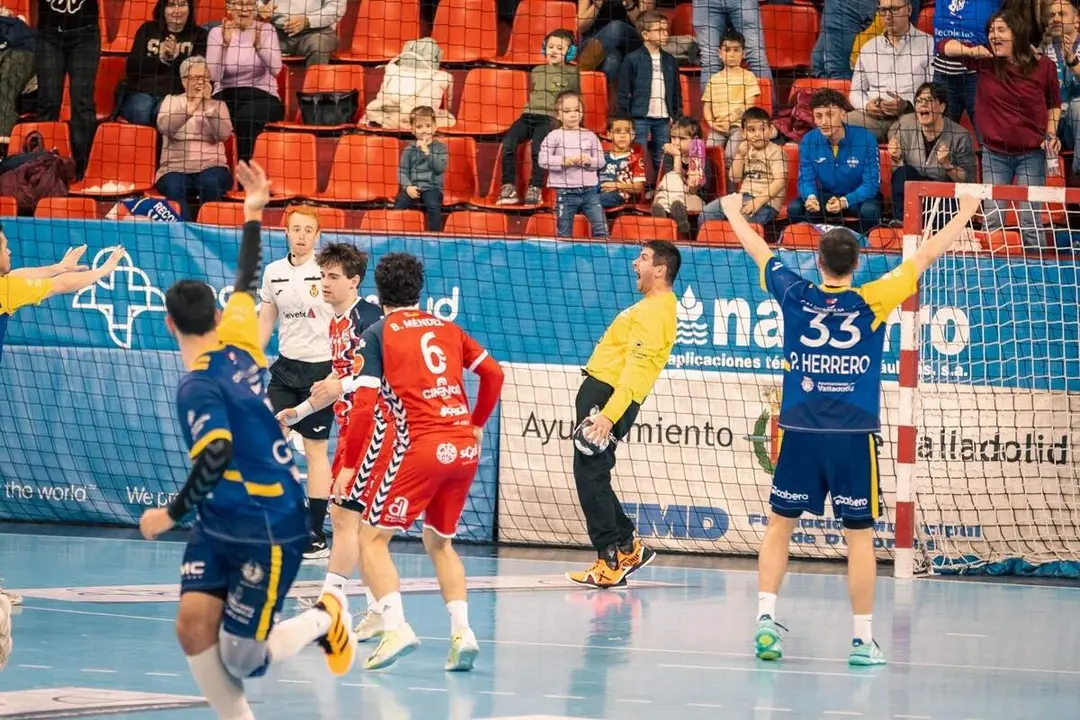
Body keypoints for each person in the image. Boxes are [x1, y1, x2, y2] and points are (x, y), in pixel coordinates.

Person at [719, 189, 982, 667]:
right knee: (859, 537)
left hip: (799, 432)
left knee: (779, 527)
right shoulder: (873, 299)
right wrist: (964, 212)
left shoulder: (795, 294)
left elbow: (759, 250)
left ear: (817, 262)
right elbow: (925, 252)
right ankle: (862, 640)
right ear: (857, 264)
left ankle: (764, 620)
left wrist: (735, 212)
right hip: (852, 438)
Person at [137, 161, 355, 720]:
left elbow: (215, 454)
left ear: (167, 324)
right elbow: (245, 278)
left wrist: (169, 514)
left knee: (241, 658)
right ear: (215, 315)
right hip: (219, 521)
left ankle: (326, 616)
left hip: (266, 519)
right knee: (192, 631)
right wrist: (253, 213)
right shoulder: (237, 333)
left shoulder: (197, 388)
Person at [335, 253, 505, 672]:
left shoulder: (377, 333)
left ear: (378, 291)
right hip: (464, 447)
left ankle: (395, 627)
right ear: (419, 290)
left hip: (423, 447)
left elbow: (363, 407)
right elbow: (495, 375)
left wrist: (349, 464)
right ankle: (462, 633)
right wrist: (478, 423)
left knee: (370, 538)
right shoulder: (448, 328)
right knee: (439, 542)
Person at [565, 240, 680, 589]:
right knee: (593, 473)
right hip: (604, 394)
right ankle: (628, 546)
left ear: (660, 270)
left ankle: (608, 560)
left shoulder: (655, 310)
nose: (635, 264)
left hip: (609, 397)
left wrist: (608, 415)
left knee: (589, 474)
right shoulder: (650, 306)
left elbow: (637, 368)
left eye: (643, 258)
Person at [276, 242, 384, 609]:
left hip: (376, 429)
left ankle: (347, 601)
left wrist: (344, 385)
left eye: (333, 277)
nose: (324, 282)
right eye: (322, 275)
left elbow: (383, 379)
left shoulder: (368, 320)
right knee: (349, 519)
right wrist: (298, 412)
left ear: (354, 282)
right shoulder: (335, 322)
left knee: (351, 518)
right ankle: (372, 606)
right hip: (352, 430)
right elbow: (334, 387)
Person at [939, 9, 1061, 248]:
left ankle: (1037, 272)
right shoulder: (986, 62)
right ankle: (989, 275)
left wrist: (1051, 133)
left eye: (1001, 30)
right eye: (991, 31)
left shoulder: (1044, 66)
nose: (994, 36)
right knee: (993, 218)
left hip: (1031, 154)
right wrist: (974, 51)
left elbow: (1053, 104)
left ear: (1018, 33)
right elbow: (943, 46)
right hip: (994, 154)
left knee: (1030, 220)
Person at [257, 204, 335, 559]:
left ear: (318, 236)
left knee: (316, 451)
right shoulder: (273, 272)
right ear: (285, 231)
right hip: (286, 370)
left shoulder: (327, 272)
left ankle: (315, 533)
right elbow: (266, 322)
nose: (301, 236)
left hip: (321, 372)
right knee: (267, 444)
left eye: (308, 231)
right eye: (296, 229)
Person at [497, 29, 580, 207]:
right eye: (550, 47)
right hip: (527, 115)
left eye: (560, 48)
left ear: (570, 52)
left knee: (537, 149)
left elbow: (576, 99)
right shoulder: (537, 70)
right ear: (544, 48)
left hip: (549, 118)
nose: (554, 51)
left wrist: (578, 125)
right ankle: (508, 186)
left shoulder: (573, 73)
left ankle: (535, 187)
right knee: (509, 143)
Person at [788, 89, 882, 233]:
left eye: (830, 115)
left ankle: (866, 249)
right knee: (796, 209)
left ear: (843, 114)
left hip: (859, 197)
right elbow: (805, 180)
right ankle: (810, 249)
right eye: (818, 116)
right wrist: (811, 197)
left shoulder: (866, 138)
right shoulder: (809, 141)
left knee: (870, 210)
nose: (824, 122)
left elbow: (871, 184)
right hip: (828, 196)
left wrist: (845, 201)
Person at [155, 56, 234, 221]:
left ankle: (208, 229)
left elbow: (223, 134)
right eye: (196, 78)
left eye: (205, 78)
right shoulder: (171, 101)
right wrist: (190, 108)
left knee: (211, 182)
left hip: (212, 166)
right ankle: (186, 234)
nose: (201, 82)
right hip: (174, 168)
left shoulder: (219, 106)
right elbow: (165, 127)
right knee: (175, 186)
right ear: (184, 81)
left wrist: (208, 108)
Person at [886, 81, 976, 224]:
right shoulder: (906, 128)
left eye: (929, 100)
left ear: (942, 107)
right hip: (915, 197)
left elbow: (969, 181)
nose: (923, 104)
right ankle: (902, 221)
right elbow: (896, 174)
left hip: (944, 198)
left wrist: (948, 164)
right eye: (919, 101)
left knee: (943, 218)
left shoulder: (960, 135)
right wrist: (896, 159)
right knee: (903, 173)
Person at [206, 0, 284, 161]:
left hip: (262, 95)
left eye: (249, 3)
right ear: (229, 7)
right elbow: (214, 76)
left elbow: (276, 69)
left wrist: (259, 47)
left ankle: (245, 176)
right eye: (239, 4)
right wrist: (224, 46)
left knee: (245, 117)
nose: (244, 9)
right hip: (226, 93)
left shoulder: (267, 30)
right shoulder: (217, 32)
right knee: (210, 116)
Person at [846, 0, 934, 142]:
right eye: (883, 10)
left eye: (894, 10)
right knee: (842, 124)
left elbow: (934, 90)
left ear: (909, 10)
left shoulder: (928, 44)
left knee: (905, 131)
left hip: (910, 115)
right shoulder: (869, 48)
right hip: (873, 117)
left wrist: (907, 105)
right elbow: (856, 91)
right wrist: (867, 106)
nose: (888, 16)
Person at [35, 0, 100, 176]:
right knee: (48, 101)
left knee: (82, 103)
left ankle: (84, 169)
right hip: (48, 34)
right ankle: (40, 168)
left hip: (85, 34)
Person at [120, 0, 209, 127]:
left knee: (163, 114)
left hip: (177, 94)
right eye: (171, 5)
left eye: (182, 4)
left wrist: (177, 57)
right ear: (162, 8)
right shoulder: (147, 29)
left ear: (190, 8)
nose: (177, 10)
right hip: (142, 91)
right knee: (142, 110)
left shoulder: (200, 35)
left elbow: (197, 74)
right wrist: (161, 59)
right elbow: (132, 67)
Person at [616, 9, 682, 180]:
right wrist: (625, 117)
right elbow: (623, 91)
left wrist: (676, 115)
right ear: (645, 34)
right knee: (639, 154)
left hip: (664, 117)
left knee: (663, 156)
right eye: (659, 30)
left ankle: (663, 189)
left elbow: (676, 92)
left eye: (666, 30)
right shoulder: (632, 59)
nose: (665, 33)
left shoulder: (670, 60)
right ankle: (639, 191)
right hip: (640, 117)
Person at [538, 90, 608, 238]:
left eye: (577, 110)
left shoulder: (590, 135)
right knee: (564, 232)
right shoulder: (554, 136)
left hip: (590, 192)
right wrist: (562, 162)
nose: (573, 114)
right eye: (567, 111)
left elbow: (601, 161)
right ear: (558, 115)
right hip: (565, 192)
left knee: (601, 229)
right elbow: (542, 160)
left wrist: (589, 161)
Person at [702, 106, 785, 226]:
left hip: (767, 203)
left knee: (741, 222)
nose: (757, 134)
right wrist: (740, 155)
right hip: (742, 198)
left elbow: (780, 182)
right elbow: (734, 178)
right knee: (706, 214)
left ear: (771, 130)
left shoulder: (776, 151)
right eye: (751, 130)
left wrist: (758, 202)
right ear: (743, 133)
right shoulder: (744, 149)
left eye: (762, 129)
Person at [650, 115, 719, 236]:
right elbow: (673, 182)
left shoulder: (704, 160)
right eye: (673, 137)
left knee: (663, 200)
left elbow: (694, 192)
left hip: (694, 199)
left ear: (695, 140)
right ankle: (681, 224)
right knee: (670, 177)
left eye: (682, 138)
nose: (676, 142)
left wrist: (693, 183)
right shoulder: (669, 156)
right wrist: (677, 157)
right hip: (673, 199)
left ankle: (664, 221)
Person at [701, 30, 760, 157]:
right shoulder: (714, 79)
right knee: (709, 153)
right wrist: (712, 123)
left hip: (738, 127)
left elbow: (749, 105)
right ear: (720, 53)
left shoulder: (748, 76)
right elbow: (707, 106)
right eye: (727, 50)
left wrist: (730, 120)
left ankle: (730, 176)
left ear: (743, 53)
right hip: (718, 128)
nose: (731, 55)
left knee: (730, 155)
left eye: (736, 50)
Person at [394, 106, 448, 231]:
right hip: (413, 188)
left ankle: (435, 236)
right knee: (399, 204)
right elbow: (402, 171)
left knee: (433, 205)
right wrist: (407, 187)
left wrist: (427, 152)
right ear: (412, 130)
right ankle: (395, 233)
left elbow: (439, 168)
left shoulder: (441, 148)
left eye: (428, 126)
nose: (424, 130)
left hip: (432, 188)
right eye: (419, 127)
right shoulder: (409, 149)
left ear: (434, 127)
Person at [1042, 0, 1080, 177]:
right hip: (1054, 124)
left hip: (1077, 122)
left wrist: (1072, 60)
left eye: (1061, 14)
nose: (1055, 19)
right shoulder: (1043, 52)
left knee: (1078, 105)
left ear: (1077, 20)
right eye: (1052, 15)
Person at [257, 0, 344, 66]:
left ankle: (313, 89)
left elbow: (336, 8)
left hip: (316, 31)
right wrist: (260, 8)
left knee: (318, 46)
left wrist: (307, 20)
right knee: (249, 43)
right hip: (276, 30)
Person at [597, 116, 647, 208]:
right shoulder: (602, 157)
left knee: (593, 201)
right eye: (617, 131)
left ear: (633, 135)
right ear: (609, 134)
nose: (622, 135)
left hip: (620, 196)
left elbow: (639, 188)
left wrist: (616, 185)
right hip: (598, 192)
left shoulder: (635, 158)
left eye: (627, 131)